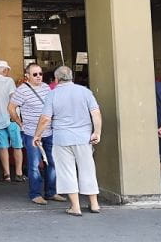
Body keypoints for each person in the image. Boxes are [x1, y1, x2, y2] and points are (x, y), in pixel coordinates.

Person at [33, 66, 102, 217]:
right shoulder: (85, 92)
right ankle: (94, 204)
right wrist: (96, 132)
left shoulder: (52, 94)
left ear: (56, 79)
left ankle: (75, 207)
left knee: (67, 171)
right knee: (88, 169)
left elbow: (45, 119)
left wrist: (37, 135)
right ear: (72, 77)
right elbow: (96, 113)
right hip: (84, 138)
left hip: (62, 138)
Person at [10, 63, 65, 205]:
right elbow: (11, 107)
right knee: (34, 164)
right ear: (27, 76)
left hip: (48, 131)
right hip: (31, 133)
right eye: (35, 74)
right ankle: (35, 194)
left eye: (40, 74)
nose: (38, 76)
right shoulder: (22, 90)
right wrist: (18, 122)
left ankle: (51, 192)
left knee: (52, 162)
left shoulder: (46, 87)